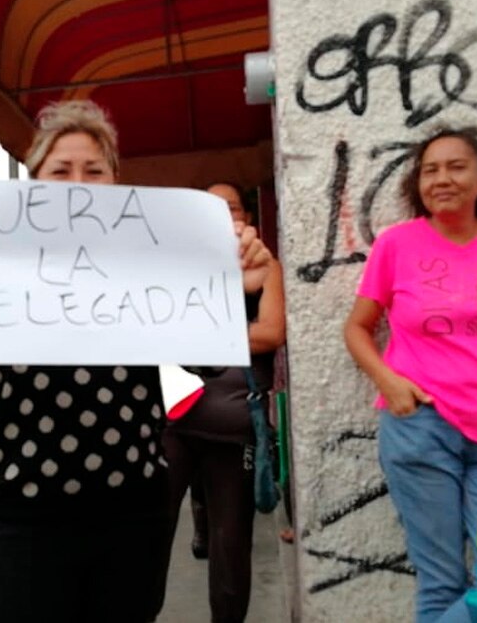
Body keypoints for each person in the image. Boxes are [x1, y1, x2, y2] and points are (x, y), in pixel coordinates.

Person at [0, 100, 273, 623]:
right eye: (60, 171)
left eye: (94, 170)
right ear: (33, 184)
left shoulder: (145, 267)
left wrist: (237, 292)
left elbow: (200, 361)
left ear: (117, 183)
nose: (78, 184)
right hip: (18, 521)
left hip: (130, 518)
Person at [342, 127, 477, 622]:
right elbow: (358, 328)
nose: (441, 179)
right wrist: (390, 382)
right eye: (430, 170)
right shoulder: (397, 245)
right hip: (421, 429)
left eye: (456, 167)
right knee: (441, 580)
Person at [154, 182, 286, 623]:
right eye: (211, 209)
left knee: (232, 546)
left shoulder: (267, 267)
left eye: (231, 207)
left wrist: (201, 330)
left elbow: (272, 332)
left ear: (246, 216)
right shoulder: (178, 271)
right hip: (174, 423)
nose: (223, 216)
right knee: (148, 536)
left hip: (235, 430)